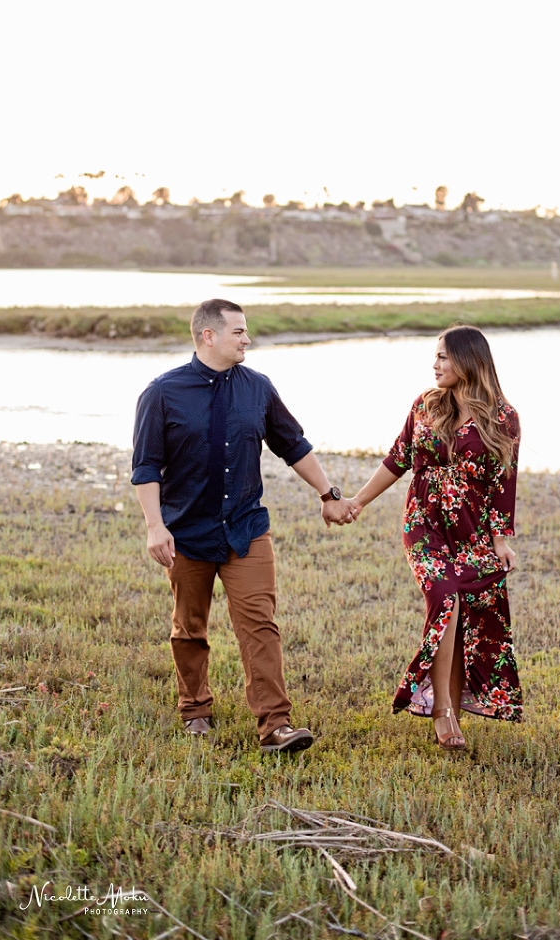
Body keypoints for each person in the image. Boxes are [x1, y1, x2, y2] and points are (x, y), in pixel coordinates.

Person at [131, 298, 357, 751]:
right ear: (208, 335)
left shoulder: (258, 387)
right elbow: (146, 467)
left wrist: (329, 494)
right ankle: (195, 708)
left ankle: (275, 725)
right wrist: (156, 527)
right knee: (190, 626)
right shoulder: (161, 393)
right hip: (187, 532)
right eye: (239, 332)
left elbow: (292, 444)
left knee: (259, 624)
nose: (247, 339)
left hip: (246, 528)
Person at [349, 325, 522, 750]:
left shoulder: (504, 417)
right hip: (424, 524)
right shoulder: (425, 405)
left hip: (473, 530)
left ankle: (453, 709)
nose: (435, 364)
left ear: (467, 360)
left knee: (470, 614)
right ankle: (442, 710)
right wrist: (356, 502)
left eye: (443, 357)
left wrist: (500, 539)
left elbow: (504, 482)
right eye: (436, 357)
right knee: (445, 598)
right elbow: (397, 459)